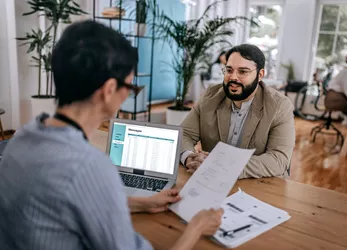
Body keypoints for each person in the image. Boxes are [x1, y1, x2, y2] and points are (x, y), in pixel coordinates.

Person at [0, 20, 223, 250]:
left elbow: (60, 203)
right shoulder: (89, 167)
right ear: (108, 91)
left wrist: (138, 203)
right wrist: (196, 227)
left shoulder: (21, 138)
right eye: (130, 87)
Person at [180, 44, 295, 178]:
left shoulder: (279, 106)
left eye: (243, 71)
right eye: (229, 70)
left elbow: (278, 159)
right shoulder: (210, 96)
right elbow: (184, 134)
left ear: (260, 75)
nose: (233, 77)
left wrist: (222, 166)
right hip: (210, 181)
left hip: (259, 184)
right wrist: (189, 157)